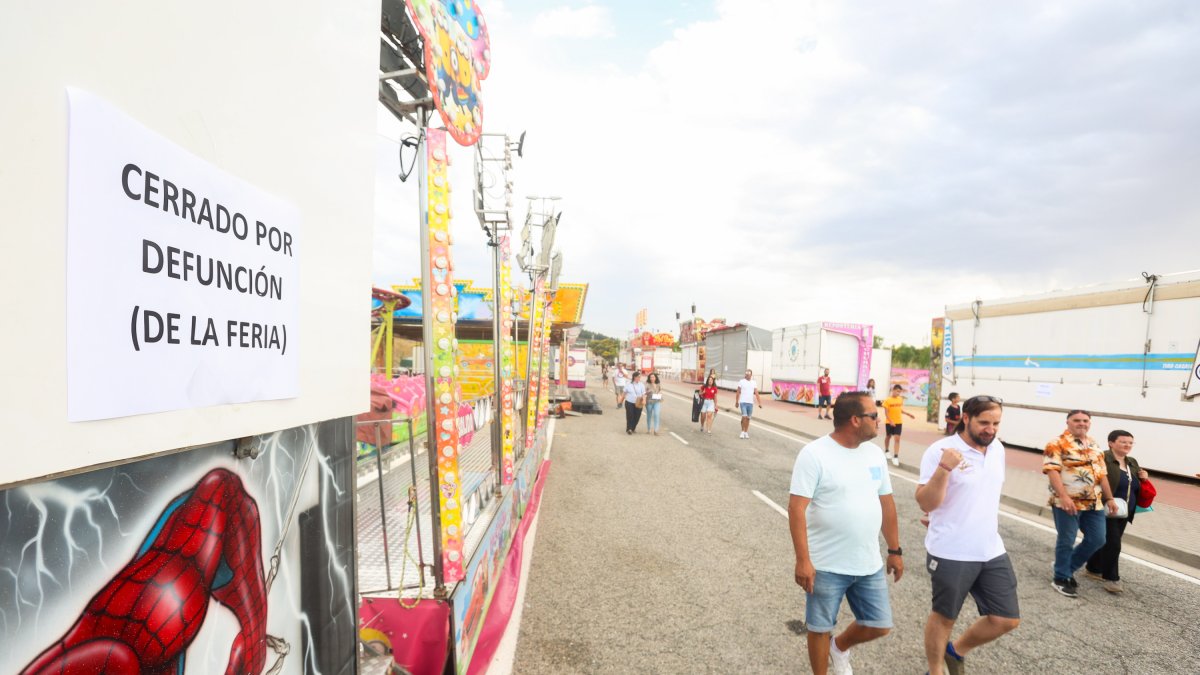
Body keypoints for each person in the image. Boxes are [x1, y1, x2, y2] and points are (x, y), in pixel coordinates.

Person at [789, 392, 902, 675]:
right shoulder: (814, 454)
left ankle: (839, 647)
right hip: (826, 563)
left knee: (879, 624)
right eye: (874, 416)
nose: (879, 420)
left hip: (868, 561)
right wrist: (803, 560)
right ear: (855, 420)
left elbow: (886, 502)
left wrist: (894, 550)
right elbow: (796, 509)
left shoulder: (875, 454)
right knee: (818, 627)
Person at [915, 395, 1020, 675]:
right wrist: (945, 468)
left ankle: (955, 650)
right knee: (945, 616)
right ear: (965, 418)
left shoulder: (996, 448)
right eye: (984, 422)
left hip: (990, 547)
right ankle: (935, 670)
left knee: (1006, 619)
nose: (991, 429)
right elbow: (926, 502)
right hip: (951, 549)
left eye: (996, 423)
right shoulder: (941, 451)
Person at [1044, 409, 1119, 598]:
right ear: (1068, 422)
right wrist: (1064, 497)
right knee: (1067, 540)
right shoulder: (1056, 443)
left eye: (1085, 420)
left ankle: (1066, 568)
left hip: (1094, 503)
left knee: (1098, 539)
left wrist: (1109, 498)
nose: (1081, 423)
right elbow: (1052, 471)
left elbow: (1102, 475)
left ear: (1090, 423)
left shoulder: (1094, 444)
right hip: (1068, 502)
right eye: (1076, 420)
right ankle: (1061, 578)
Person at [1084, 430, 1148, 593]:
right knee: (1114, 544)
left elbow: (1133, 483)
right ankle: (1112, 579)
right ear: (1111, 443)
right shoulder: (1102, 458)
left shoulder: (1132, 462)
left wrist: (1144, 478)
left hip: (1124, 510)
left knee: (1107, 541)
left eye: (1130, 442)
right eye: (1123, 442)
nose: (1127, 445)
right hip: (1105, 508)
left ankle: (1093, 567)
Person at [881, 384, 915, 467]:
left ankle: (895, 456)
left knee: (897, 439)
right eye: (897, 391)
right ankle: (886, 451)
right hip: (889, 422)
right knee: (888, 436)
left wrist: (908, 414)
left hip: (898, 422)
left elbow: (900, 410)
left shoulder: (900, 399)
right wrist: (890, 421)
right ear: (893, 390)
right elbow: (886, 413)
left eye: (900, 392)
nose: (898, 393)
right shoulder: (887, 401)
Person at [732, 369, 763, 439]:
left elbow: (756, 393)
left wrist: (759, 403)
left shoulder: (754, 383)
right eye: (746, 374)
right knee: (744, 417)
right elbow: (738, 392)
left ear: (751, 375)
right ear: (745, 374)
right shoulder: (741, 382)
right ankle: (742, 432)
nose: (747, 375)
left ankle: (746, 432)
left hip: (750, 403)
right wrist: (736, 402)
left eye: (749, 374)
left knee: (748, 418)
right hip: (743, 402)